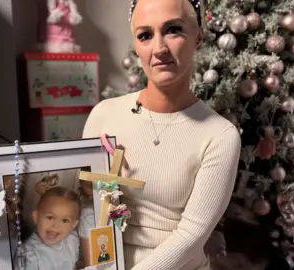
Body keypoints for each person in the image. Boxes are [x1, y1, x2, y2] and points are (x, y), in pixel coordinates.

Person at [82, 0, 241, 269]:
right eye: (145, 35)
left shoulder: (220, 135)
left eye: (173, 30)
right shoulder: (103, 115)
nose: (159, 49)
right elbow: (82, 204)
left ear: (198, 37)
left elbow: (191, 236)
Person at [19, 185, 81, 270]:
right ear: (36, 217)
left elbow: (73, 266)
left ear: (73, 225)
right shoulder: (29, 255)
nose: (56, 225)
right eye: (50, 217)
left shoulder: (72, 240)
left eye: (65, 220)